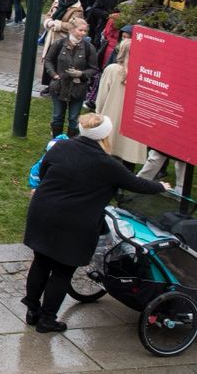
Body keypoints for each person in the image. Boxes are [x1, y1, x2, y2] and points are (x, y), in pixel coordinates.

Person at [22, 113, 167, 333]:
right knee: (62, 270)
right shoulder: (107, 164)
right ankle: (47, 320)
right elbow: (137, 184)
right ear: (105, 136)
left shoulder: (61, 147)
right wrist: (161, 187)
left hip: (43, 213)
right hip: (74, 224)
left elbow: (44, 172)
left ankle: (32, 310)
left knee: (41, 261)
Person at [94, 39, 146, 168]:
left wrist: (99, 112)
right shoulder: (145, 75)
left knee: (108, 155)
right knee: (128, 157)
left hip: (111, 118)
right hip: (134, 122)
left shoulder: (112, 70)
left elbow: (101, 97)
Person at [43, 19, 99, 137]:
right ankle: (56, 142)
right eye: (80, 30)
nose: (83, 33)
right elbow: (48, 60)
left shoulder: (89, 48)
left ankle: (71, 144)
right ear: (71, 29)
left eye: (85, 31)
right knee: (57, 116)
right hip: (59, 86)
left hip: (78, 88)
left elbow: (94, 69)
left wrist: (81, 74)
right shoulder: (59, 44)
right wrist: (54, 74)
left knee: (74, 118)